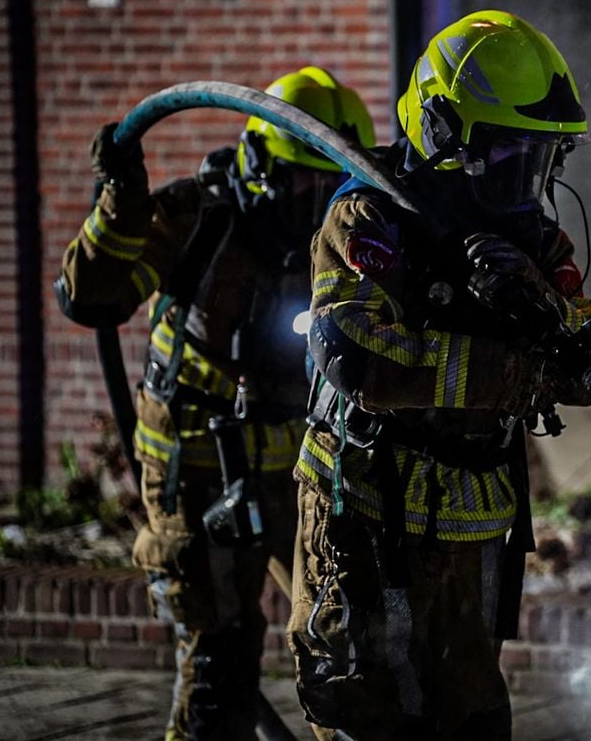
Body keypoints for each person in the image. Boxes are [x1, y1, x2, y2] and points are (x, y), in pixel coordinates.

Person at [287, 10, 591, 740]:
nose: (527, 184)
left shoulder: (526, 239)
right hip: (366, 522)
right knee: (371, 721)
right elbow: (361, 357)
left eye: (542, 161)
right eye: (510, 157)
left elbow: (589, 341)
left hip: (470, 533)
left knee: (472, 723)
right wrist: (518, 375)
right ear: (445, 136)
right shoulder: (367, 219)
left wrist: (553, 316)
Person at [55, 67, 377, 740]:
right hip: (199, 470)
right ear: (260, 165)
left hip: (299, 466)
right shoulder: (197, 220)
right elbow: (93, 297)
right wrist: (122, 199)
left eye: (329, 185)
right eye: (300, 183)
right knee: (220, 666)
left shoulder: (339, 244)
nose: (315, 200)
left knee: (349, 639)